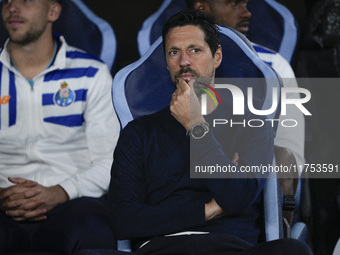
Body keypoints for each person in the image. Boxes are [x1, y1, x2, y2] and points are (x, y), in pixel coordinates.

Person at [108, 10, 312, 255]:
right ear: (166, 62)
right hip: (163, 248)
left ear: (216, 56)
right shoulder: (139, 132)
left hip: (231, 247)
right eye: (174, 52)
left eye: (195, 50)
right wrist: (209, 209)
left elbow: (236, 197)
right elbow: (123, 220)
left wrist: (196, 125)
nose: (184, 61)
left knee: (293, 250)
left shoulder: (252, 123)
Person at [0, 0, 120, 254]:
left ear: (53, 11)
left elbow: (110, 162)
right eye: (7, 0)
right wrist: (4, 195)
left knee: (93, 230)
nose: (13, 7)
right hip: (4, 204)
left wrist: (60, 192)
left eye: (26, 0)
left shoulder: (91, 73)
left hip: (72, 204)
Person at [186, 0, 306, 224]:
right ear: (202, 8)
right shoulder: (172, 63)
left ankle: (276, 236)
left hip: (251, 173)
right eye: (234, 4)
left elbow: (290, 151)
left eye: (246, 3)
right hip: (183, 175)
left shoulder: (272, 64)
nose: (247, 12)